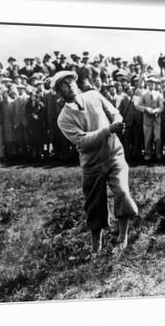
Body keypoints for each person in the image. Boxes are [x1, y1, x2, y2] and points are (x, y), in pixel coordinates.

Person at [53, 70, 138, 253]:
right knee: (94, 206)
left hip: (114, 154)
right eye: (64, 85)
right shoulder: (63, 118)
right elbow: (83, 141)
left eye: (71, 81)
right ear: (59, 93)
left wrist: (117, 121)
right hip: (92, 164)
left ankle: (123, 239)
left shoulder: (94, 95)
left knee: (122, 192)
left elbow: (114, 113)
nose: (70, 85)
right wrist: (109, 129)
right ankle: (96, 248)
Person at [136, 76, 164, 162]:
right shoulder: (143, 94)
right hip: (147, 119)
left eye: (153, 83)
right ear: (147, 84)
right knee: (147, 138)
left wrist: (156, 110)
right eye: (150, 83)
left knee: (157, 138)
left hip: (156, 119)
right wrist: (145, 109)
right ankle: (147, 154)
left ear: (155, 84)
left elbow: (162, 107)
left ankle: (158, 154)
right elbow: (137, 105)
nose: (152, 85)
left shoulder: (159, 94)